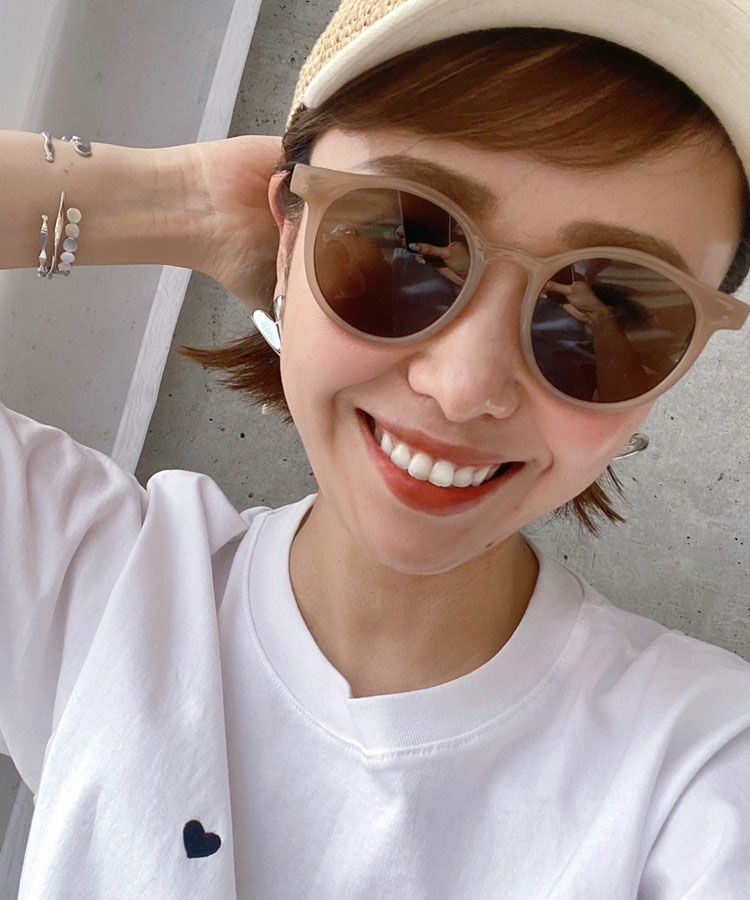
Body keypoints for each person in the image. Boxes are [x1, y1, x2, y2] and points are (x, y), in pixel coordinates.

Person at [1, 0, 749, 897]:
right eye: (407, 244)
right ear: (287, 238)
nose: (465, 386)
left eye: (608, 310)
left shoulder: (705, 776)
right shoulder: (85, 582)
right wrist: (188, 202)